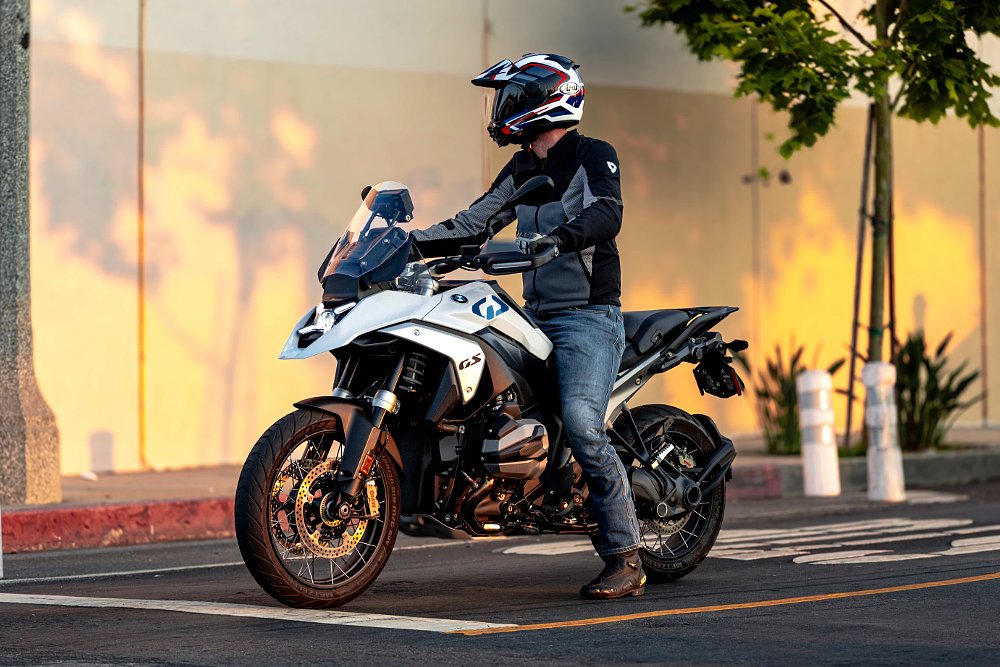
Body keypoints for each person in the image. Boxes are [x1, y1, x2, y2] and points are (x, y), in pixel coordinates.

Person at [412, 53, 645, 600]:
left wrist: (557, 240)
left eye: (513, 95)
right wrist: (410, 243)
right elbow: (475, 221)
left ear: (546, 97)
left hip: (587, 319)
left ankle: (626, 556)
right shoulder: (522, 168)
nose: (503, 107)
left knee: (584, 423)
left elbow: (608, 213)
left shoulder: (593, 155)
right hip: (534, 316)